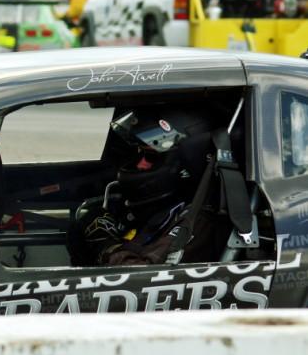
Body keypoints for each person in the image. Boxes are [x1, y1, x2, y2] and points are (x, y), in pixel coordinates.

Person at [71, 108, 227, 266]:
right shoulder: (156, 209)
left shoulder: (197, 220)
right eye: (140, 154)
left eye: (151, 156)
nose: (140, 164)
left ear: (188, 162)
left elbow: (143, 277)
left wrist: (105, 245)